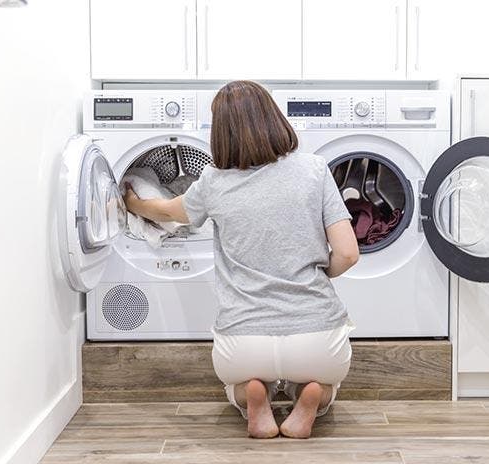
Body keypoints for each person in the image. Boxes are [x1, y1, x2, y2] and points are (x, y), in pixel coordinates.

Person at [123, 80, 359, 439]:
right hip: (317, 336)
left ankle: (252, 397)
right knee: (322, 379)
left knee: (237, 384)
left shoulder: (213, 181)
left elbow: (170, 211)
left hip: (244, 342)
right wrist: (318, 272)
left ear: (221, 134)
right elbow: (347, 252)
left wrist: (134, 202)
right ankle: (313, 395)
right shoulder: (315, 169)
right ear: (274, 118)